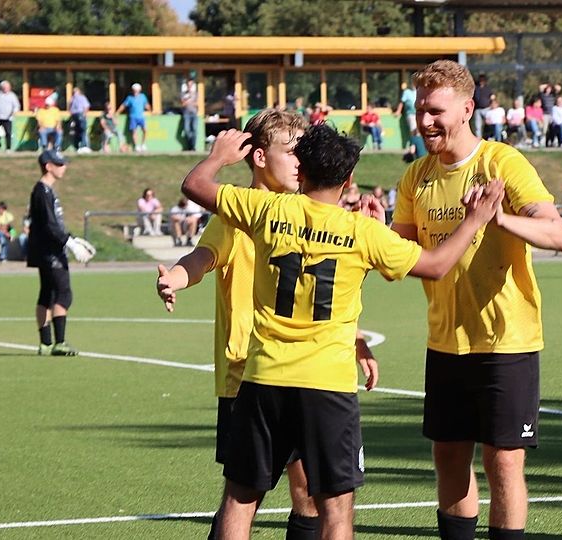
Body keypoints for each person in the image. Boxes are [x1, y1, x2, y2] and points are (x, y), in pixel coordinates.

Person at [181, 124, 503, 540]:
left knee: (240, 500)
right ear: (348, 179)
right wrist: (475, 218)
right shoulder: (362, 232)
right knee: (336, 511)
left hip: (263, 379)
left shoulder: (266, 211)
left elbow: (195, 185)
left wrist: (218, 157)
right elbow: (438, 264)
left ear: (300, 171)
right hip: (326, 386)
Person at [159, 109, 381, 540]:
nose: (301, 160)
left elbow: (318, 293)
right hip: (248, 377)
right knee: (243, 497)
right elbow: (202, 258)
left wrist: (353, 339)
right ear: (259, 158)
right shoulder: (240, 214)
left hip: (299, 373)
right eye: (291, 150)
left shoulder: (302, 215)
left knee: (307, 493)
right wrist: (176, 277)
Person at [391, 59, 562, 540]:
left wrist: (500, 219)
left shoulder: (502, 163)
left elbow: (558, 234)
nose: (425, 121)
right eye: (420, 110)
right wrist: (372, 228)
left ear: (467, 108)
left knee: (503, 460)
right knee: (448, 455)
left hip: (505, 340)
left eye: (436, 110)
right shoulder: (416, 177)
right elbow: (405, 252)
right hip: (446, 339)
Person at [28, 149, 95, 357]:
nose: (63, 167)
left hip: (48, 249)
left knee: (47, 294)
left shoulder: (46, 191)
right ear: (48, 166)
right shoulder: (42, 191)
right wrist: (70, 244)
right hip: (50, 252)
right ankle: (59, 342)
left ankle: (46, 343)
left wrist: (72, 239)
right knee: (63, 294)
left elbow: (53, 224)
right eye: (59, 164)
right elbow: (49, 225)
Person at [116, 83, 151, 152]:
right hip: (133, 117)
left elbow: (147, 105)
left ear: (139, 90)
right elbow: (123, 105)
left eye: (137, 90)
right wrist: (117, 112)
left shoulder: (143, 96)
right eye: (134, 90)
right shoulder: (129, 98)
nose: (135, 91)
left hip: (141, 117)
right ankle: (136, 146)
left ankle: (143, 145)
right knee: (134, 132)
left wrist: (151, 111)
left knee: (145, 130)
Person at [0, 80, 20, 151]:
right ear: (1, 87)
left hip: (7, 118)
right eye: (5, 87)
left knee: (8, 133)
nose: (7, 89)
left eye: (8, 87)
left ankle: (8, 148)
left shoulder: (12, 95)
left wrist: (14, 112)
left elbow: (16, 106)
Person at [69, 87, 91, 153]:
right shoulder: (73, 98)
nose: (74, 93)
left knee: (81, 131)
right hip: (76, 115)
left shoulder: (80, 98)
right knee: (80, 131)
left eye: (75, 91)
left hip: (78, 115)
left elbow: (86, 107)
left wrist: (84, 114)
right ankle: (81, 146)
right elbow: (86, 106)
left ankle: (82, 146)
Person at [472, 74, 493, 139]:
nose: (481, 81)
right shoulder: (476, 88)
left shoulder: (488, 88)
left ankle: (489, 137)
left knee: (489, 124)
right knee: (477, 126)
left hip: (487, 109)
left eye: (482, 80)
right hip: (478, 109)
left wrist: (492, 105)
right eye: (480, 80)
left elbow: (492, 97)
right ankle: (479, 139)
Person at [181, 78, 199, 151]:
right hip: (186, 113)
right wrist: (188, 100)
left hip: (194, 113)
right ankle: (189, 145)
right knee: (187, 129)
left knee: (194, 129)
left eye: (191, 85)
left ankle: (193, 147)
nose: (190, 86)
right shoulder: (184, 94)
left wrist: (190, 101)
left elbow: (197, 103)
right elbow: (183, 103)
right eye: (188, 85)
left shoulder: (196, 93)